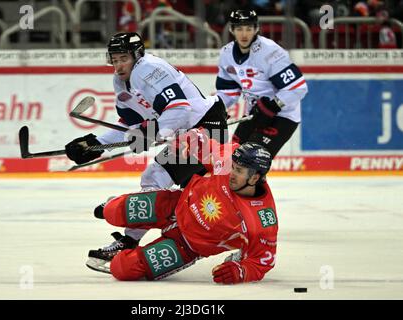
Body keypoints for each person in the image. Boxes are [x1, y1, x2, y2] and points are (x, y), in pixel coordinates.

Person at [65, 32, 227, 260]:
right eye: (115, 59)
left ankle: (128, 237)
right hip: (189, 132)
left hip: (207, 129)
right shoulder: (120, 80)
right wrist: (95, 145)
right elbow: (129, 125)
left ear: (137, 55)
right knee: (190, 194)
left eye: (124, 58)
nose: (119, 65)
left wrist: (150, 132)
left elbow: (180, 110)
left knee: (157, 176)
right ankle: (134, 237)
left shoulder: (147, 68)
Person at [86, 128, 278, 283]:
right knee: (111, 211)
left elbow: (264, 261)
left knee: (122, 268)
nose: (232, 173)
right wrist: (192, 138)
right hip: (175, 205)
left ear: (255, 177)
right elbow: (208, 146)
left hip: (187, 246)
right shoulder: (229, 159)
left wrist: (242, 271)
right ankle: (116, 205)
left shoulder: (262, 220)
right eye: (233, 167)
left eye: (239, 171)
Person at [216, 9, 308, 158]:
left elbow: (298, 88)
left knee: (251, 161)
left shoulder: (270, 52)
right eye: (239, 28)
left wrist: (273, 105)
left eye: (249, 28)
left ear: (256, 29)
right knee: (232, 158)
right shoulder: (226, 54)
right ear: (232, 29)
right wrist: (215, 107)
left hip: (283, 116)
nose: (244, 34)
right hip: (255, 114)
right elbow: (228, 92)